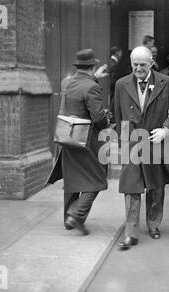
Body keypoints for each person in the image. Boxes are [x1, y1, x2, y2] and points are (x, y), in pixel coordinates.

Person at [114, 46, 169, 250]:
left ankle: (153, 224)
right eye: (134, 65)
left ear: (151, 63)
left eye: (142, 65)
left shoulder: (166, 82)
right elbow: (118, 116)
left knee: (156, 186)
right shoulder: (121, 84)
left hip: (156, 141)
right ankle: (131, 233)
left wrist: (166, 129)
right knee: (131, 187)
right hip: (133, 142)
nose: (138, 69)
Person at [47, 49, 111, 234]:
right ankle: (77, 215)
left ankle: (69, 219)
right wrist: (107, 120)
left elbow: (82, 88)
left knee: (72, 179)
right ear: (92, 67)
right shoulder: (92, 87)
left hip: (68, 138)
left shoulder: (68, 82)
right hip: (88, 140)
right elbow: (98, 118)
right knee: (98, 178)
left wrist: (94, 78)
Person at [109, 46, 123, 121]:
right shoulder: (115, 65)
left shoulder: (110, 62)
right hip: (113, 90)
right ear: (117, 53)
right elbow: (113, 80)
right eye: (121, 53)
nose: (121, 55)